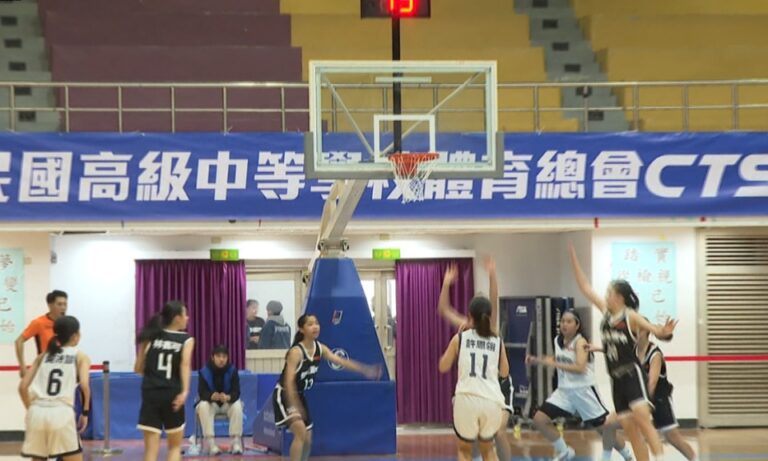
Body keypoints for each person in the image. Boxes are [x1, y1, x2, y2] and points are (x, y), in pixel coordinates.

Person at [569, 244, 677, 461]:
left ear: (619, 297)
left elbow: (654, 330)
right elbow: (585, 287)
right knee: (631, 432)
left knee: (644, 422)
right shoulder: (606, 313)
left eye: (609, 292)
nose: (605, 295)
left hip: (631, 375)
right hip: (616, 379)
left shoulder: (630, 316)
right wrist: (574, 259)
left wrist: (663, 331)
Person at [527, 309, 634, 461]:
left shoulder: (580, 342)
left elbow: (580, 367)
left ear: (577, 325)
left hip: (584, 391)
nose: (564, 324)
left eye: (569, 321)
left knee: (604, 428)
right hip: (564, 392)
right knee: (539, 419)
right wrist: (538, 360)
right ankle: (564, 451)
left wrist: (554, 364)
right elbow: (558, 359)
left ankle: (627, 455)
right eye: (562, 321)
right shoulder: (557, 340)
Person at [272, 313, 381, 461]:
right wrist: (295, 404)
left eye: (316, 323)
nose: (315, 327)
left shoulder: (320, 348)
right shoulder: (296, 352)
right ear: (302, 329)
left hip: (300, 394)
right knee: (300, 433)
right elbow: (289, 382)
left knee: (308, 439)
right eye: (310, 324)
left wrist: (365, 370)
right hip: (285, 395)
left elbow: (341, 362)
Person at [437, 258, 512, 461]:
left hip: (470, 394)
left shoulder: (463, 335)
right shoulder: (493, 336)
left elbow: (443, 366)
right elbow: (505, 373)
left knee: (466, 448)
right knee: (489, 447)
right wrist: (492, 274)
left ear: (471, 313)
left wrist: (446, 283)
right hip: (491, 396)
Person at [19, 315, 91, 461]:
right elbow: (84, 385)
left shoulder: (43, 356)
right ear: (75, 335)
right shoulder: (80, 356)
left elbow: (22, 387)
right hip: (61, 413)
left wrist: (30, 410)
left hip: (37, 412)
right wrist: (85, 412)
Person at [134, 300, 194, 461]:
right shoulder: (186, 340)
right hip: (172, 394)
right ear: (177, 318)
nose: (187, 318)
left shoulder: (150, 337)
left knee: (150, 451)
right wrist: (185, 392)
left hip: (150, 394)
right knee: (174, 447)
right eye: (185, 314)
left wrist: (154, 374)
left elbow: (138, 368)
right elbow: (185, 365)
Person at [636, 319, 698, 461]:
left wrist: (645, 405)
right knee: (620, 426)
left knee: (672, 437)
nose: (634, 332)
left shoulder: (655, 354)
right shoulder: (632, 351)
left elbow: (652, 383)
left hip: (659, 398)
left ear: (646, 331)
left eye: (639, 328)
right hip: (641, 398)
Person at [196, 344, 244, 455]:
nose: (222, 359)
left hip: (227, 403)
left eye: (224, 356)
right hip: (211, 404)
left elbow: (236, 392)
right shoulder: (204, 372)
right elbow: (202, 393)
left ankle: (235, 442)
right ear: (213, 357)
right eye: (218, 356)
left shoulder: (232, 371)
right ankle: (211, 444)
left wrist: (228, 397)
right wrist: (210, 396)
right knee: (203, 405)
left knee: (237, 405)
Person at [15, 290, 68, 378]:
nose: (63, 308)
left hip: (64, 369)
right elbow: (19, 341)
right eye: (59, 304)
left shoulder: (68, 323)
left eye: (65, 304)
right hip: (44, 370)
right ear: (50, 305)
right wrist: (22, 366)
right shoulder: (39, 323)